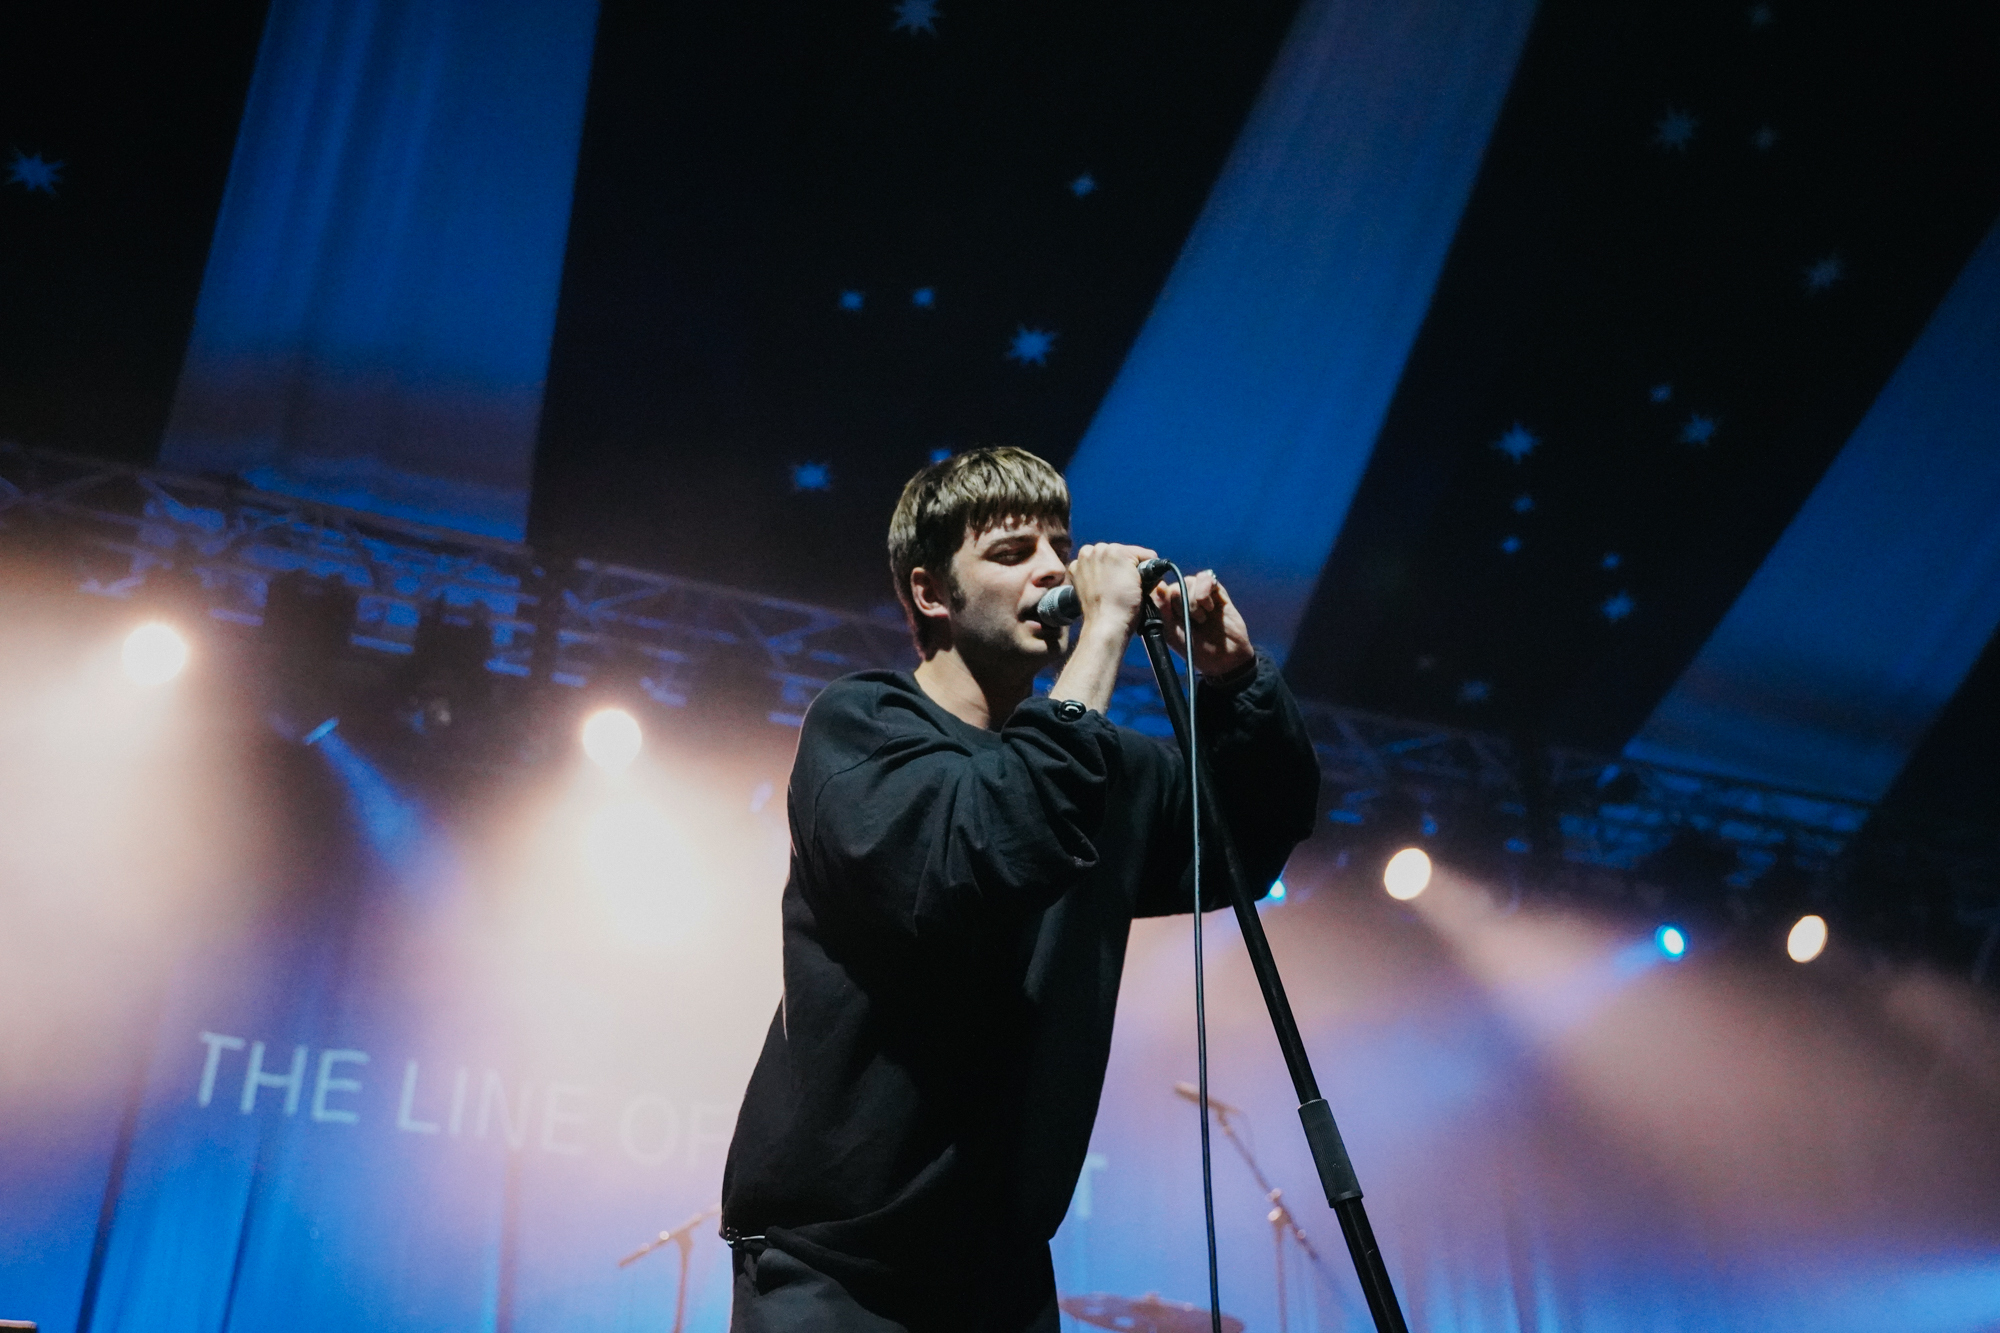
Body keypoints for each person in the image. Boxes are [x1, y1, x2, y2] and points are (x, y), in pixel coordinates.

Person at [720, 447, 1319, 1332]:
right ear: (932, 592)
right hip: (835, 1272)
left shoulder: (1103, 772)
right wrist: (1104, 636)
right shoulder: (862, 729)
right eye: (1011, 552)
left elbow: (1248, 839)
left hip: (1001, 1276)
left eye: (1059, 547)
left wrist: (1237, 680)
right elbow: (984, 849)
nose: (1053, 570)